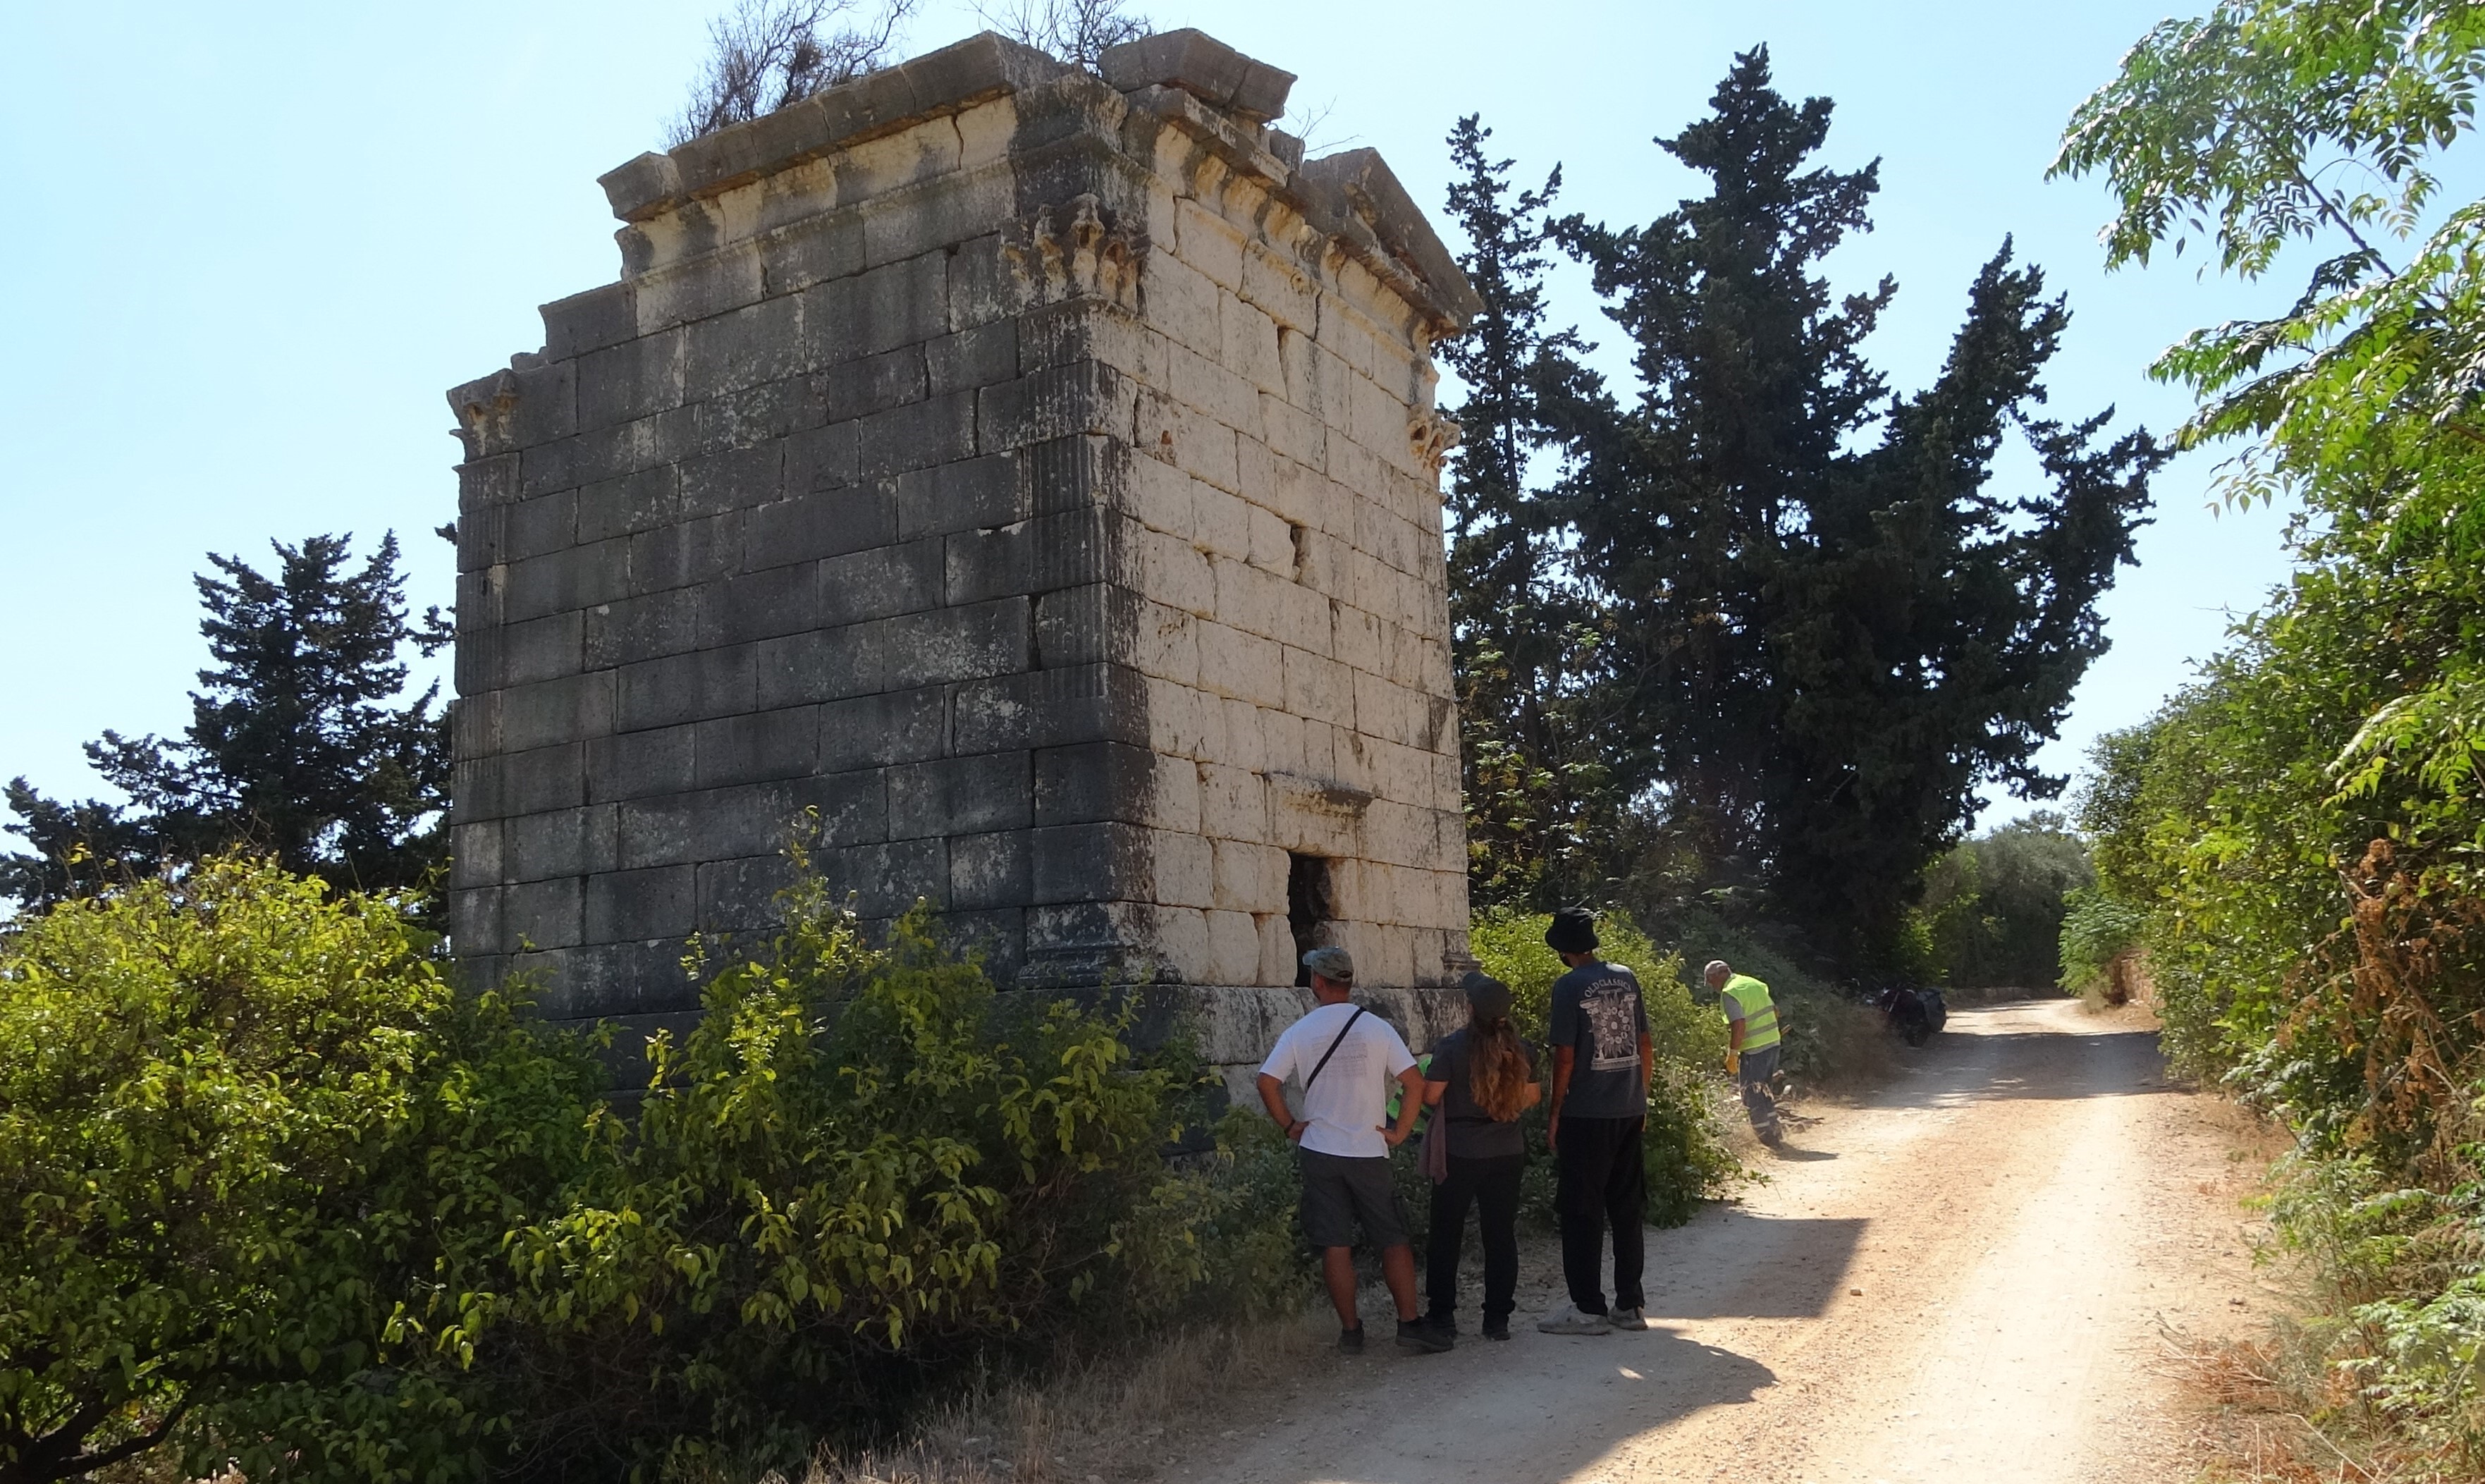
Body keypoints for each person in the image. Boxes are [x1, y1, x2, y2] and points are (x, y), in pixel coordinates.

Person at [1256, 945, 1449, 1354]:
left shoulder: (1300, 1032)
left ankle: (1351, 1333)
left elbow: (1267, 1082)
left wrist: (1291, 1125)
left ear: (1318, 983)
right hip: (1367, 1147)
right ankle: (1410, 1325)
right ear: (1348, 981)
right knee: (1393, 1238)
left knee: (1335, 1243)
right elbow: (1414, 1082)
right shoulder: (1376, 1028)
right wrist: (1399, 1131)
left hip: (1320, 1149)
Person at [1538, 907, 1654, 1336]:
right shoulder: (1625, 976)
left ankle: (1588, 1307)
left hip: (1586, 1113)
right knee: (1627, 1209)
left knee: (1581, 1210)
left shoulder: (1569, 986)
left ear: (1564, 950)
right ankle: (1630, 1303)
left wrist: (1555, 1114)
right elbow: (1644, 1042)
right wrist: (1640, 1097)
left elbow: (1565, 1056)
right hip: (1628, 1108)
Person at [1419, 971, 1541, 1342]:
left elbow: (1430, 1096)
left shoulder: (1452, 1047)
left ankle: (1443, 1317)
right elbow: (1532, 1098)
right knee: (1500, 1234)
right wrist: (1500, 1104)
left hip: (1459, 1150)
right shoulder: (1524, 1050)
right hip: (1507, 1150)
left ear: (1470, 1009)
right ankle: (1497, 1319)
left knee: (1446, 1233)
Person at [1707, 959, 1784, 1145]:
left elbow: (1739, 1024)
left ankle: (1766, 1138)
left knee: (1751, 1093)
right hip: (1773, 1043)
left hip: (1754, 1050)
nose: (1711, 985)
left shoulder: (1730, 992)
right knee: (1765, 1089)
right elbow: (1775, 1012)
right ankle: (1775, 1131)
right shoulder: (1753, 983)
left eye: (1710, 980)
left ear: (1720, 975)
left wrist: (1733, 1053)